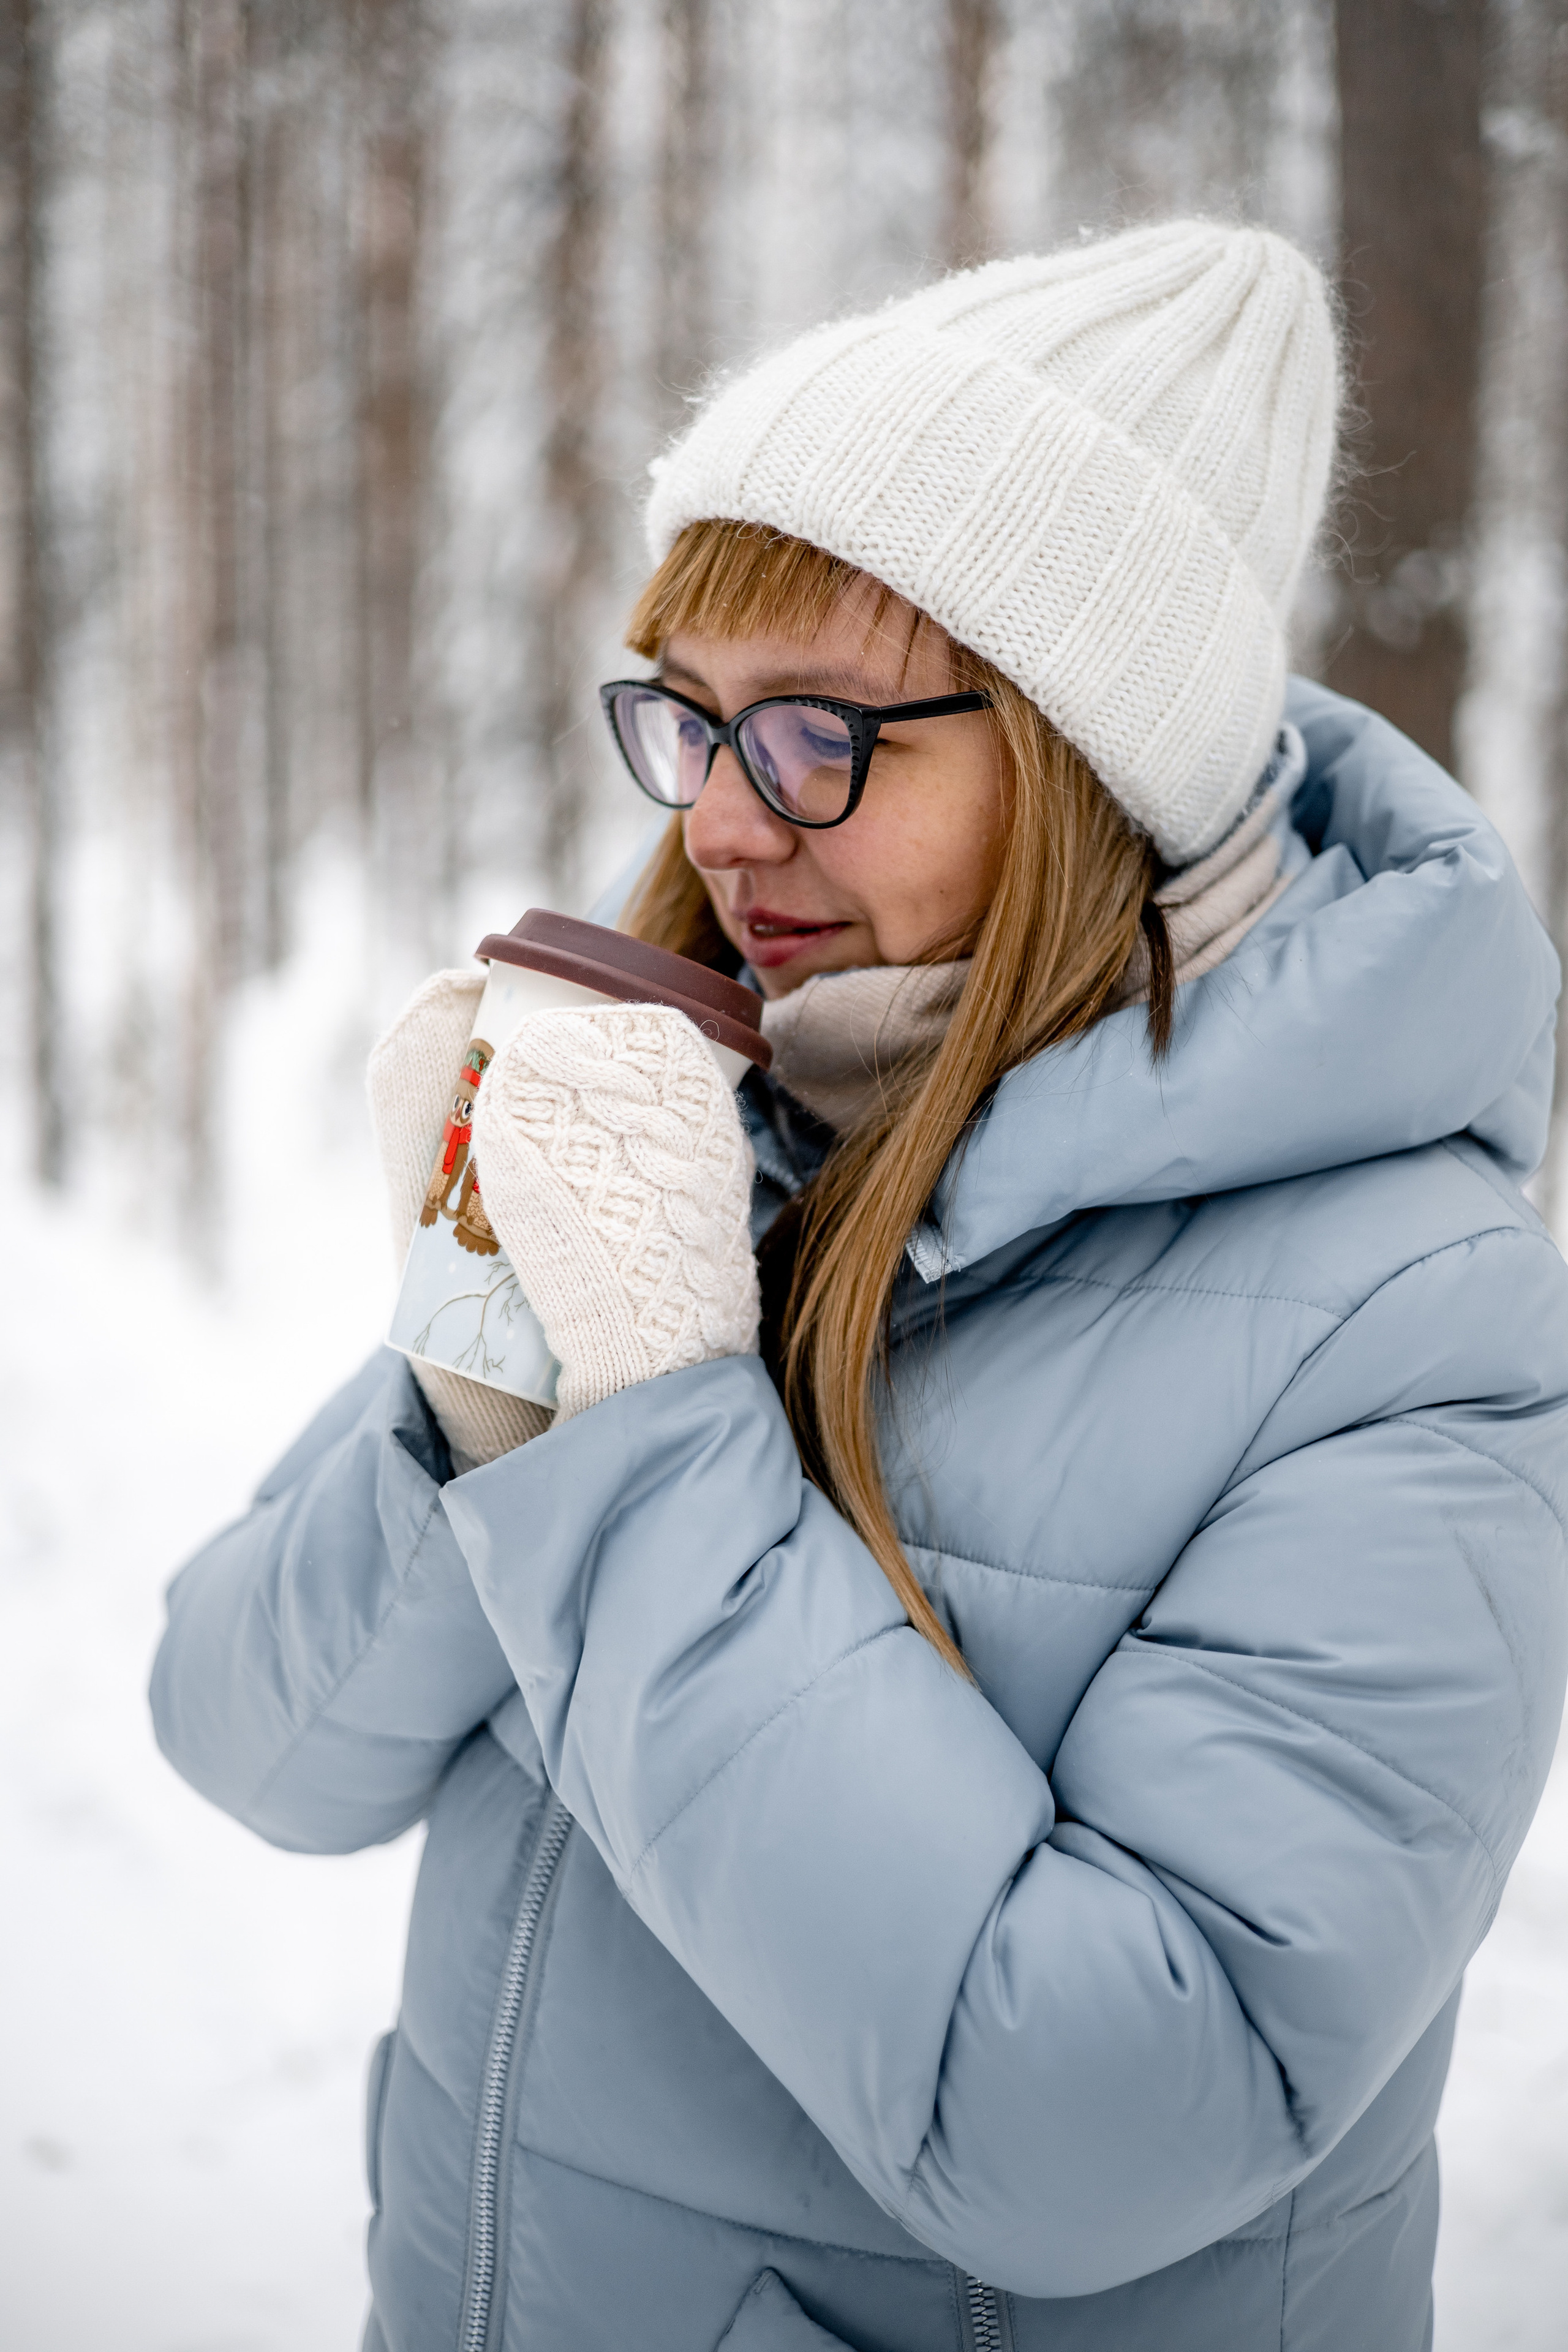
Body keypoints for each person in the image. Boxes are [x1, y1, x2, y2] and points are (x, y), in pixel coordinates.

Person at [151, 222, 1568, 2352]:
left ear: (1089, 757)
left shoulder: (1425, 1326)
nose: (724, 824)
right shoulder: (725, 1115)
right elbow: (257, 1745)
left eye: (820, 736)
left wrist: (644, 1432)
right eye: (694, 723)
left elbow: (1100, 2120)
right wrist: (491, 1335)